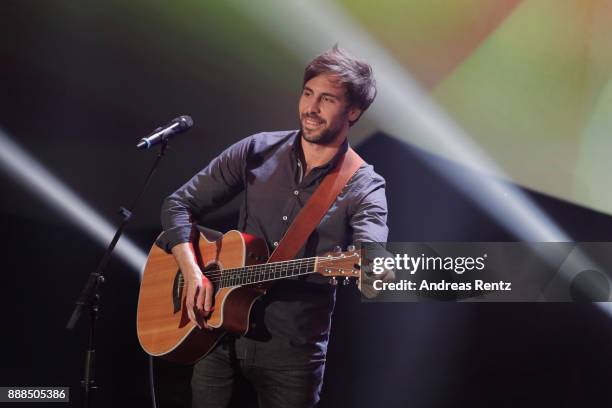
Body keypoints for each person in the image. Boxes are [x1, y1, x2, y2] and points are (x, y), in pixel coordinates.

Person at [156, 45, 390, 408]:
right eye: (308, 93)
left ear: (354, 111)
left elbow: (371, 242)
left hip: (292, 355)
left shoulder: (364, 184)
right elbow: (178, 204)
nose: (310, 108)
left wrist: (373, 265)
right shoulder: (256, 151)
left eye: (326, 99)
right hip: (216, 336)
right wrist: (192, 270)